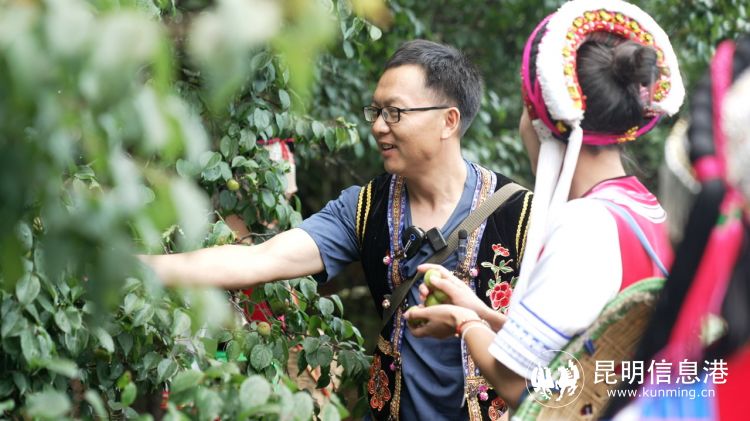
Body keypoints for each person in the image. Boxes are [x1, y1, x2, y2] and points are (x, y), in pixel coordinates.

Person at [141, 40, 533, 420]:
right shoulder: (365, 207)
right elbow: (260, 258)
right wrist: (139, 266)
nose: (378, 126)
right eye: (375, 111)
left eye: (394, 112)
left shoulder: (521, 215)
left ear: (448, 120)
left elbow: (557, 351)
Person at [404, 0, 685, 412]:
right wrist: (478, 310)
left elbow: (520, 384)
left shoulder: (586, 225)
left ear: (542, 120)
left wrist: (462, 324)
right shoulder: (643, 208)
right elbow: (579, 346)